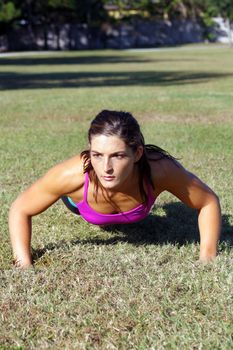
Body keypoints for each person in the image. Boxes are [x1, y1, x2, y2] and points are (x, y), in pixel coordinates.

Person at [9, 110, 221, 268]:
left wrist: (207, 258)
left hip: (136, 187)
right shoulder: (71, 176)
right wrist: (24, 264)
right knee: (74, 198)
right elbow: (20, 209)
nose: (106, 168)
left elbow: (208, 202)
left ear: (137, 154)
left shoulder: (160, 170)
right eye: (97, 155)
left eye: (117, 156)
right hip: (79, 202)